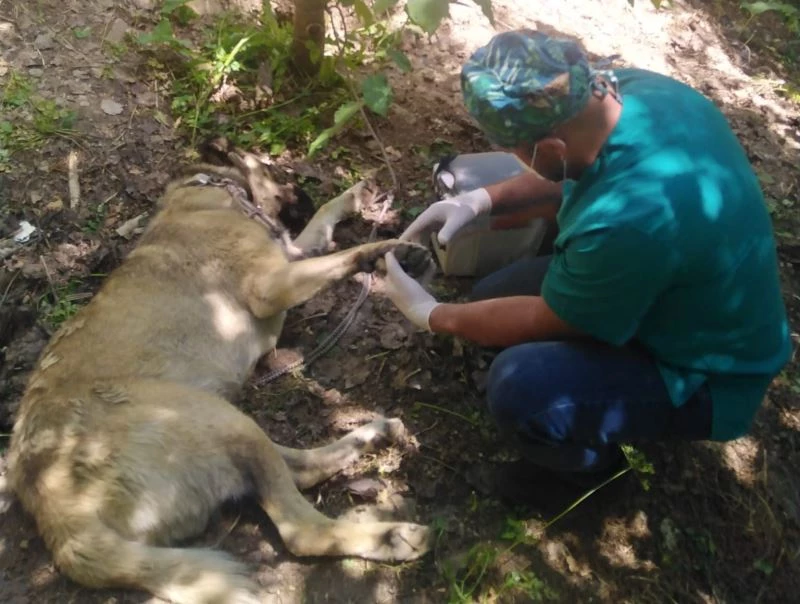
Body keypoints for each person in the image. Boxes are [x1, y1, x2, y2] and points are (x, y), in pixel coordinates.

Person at [382, 29, 792, 504]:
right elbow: (570, 174)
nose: (520, 162)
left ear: (550, 148)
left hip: (707, 369)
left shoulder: (633, 220)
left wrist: (433, 315)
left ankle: (594, 481)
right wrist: (480, 201)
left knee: (522, 388)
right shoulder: (629, 92)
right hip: (671, 290)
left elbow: (551, 317)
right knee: (489, 298)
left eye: (519, 151)